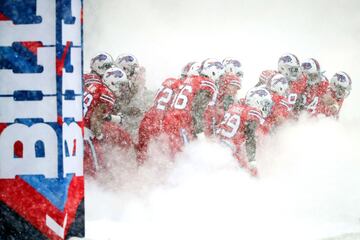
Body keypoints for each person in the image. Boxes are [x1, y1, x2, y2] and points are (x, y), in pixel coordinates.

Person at [161, 59, 221, 156]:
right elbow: (197, 111)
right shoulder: (207, 84)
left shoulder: (189, 80)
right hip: (180, 123)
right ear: (213, 71)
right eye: (220, 75)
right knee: (184, 157)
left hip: (169, 119)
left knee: (169, 155)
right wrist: (200, 134)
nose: (219, 78)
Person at [216, 87, 273, 177]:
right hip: (231, 150)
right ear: (256, 101)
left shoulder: (236, 107)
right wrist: (252, 161)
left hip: (218, 144)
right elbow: (250, 137)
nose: (265, 108)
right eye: (264, 104)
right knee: (251, 175)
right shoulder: (253, 112)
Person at [83, 67, 129, 176]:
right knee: (96, 168)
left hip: (78, 127)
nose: (122, 89)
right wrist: (100, 136)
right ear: (112, 83)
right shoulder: (107, 94)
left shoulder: (95, 86)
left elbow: (94, 111)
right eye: (121, 85)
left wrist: (116, 119)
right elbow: (95, 118)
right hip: (85, 133)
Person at [203, 58, 242, 136]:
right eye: (233, 86)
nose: (235, 90)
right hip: (207, 125)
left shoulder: (224, 95)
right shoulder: (214, 91)